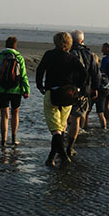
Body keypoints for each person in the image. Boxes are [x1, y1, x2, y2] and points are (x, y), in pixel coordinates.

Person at [36, 32, 87, 167]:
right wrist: (78, 89)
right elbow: (84, 73)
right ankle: (51, 158)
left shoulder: (49, 55)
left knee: (55, 130)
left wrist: (39, 85)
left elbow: (40, 70)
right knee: (60, 128)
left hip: (52, 93)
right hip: (68, 95)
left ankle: (63, 156)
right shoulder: (71, 58)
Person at [0, 36, 30, 146]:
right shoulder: (19, 57)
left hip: (2, 89)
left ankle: (3, 140)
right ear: (15, 45)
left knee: (4, 115)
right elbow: (23, 75)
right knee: (15, 113)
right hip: (16, 90)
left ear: (5, 44)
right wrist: (26, 90)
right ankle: (14, 138)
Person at [66, 30, 101, 153]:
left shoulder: (68, 52)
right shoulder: (89, 54)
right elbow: (95, 73)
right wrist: (95, 88)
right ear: (82, 40)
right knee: (76, 117)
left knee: (65, 116)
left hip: (67, 89)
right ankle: (71, 145)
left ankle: (62, 139)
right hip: (83, 90)